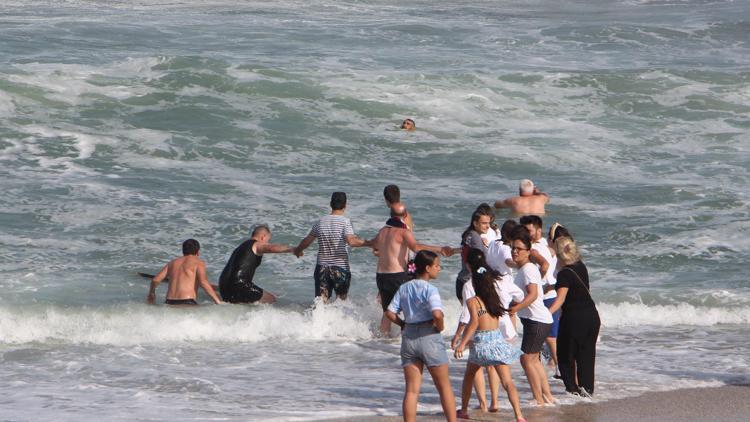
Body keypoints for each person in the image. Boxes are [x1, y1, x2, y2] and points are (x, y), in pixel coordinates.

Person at [454, 249, 526, 422]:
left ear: (476, 284)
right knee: (507, 382)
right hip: (496, 341)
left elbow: (474, 324)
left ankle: (463, 410)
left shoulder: (473, 301)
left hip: (480, 344)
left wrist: (462, 344)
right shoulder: (494, 299)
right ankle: (519, 416)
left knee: (469, 376)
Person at [384, 250, 456, 422]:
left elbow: (389, 312)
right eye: (437, 266)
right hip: (429, 336)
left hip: (409, 337)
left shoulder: (404, 287)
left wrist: (403, 324)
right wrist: (441, 326)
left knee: (411, 390)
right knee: (444, 387)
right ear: (428, 268)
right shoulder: (430, 289)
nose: (439, 269)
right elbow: (437, 314)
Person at [373, 205, 453, 335]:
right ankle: (409, 335)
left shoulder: (383, 231)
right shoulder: (403, 232)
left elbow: (375, 246)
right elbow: (416, 247)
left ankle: (383, 339)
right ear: (405, 216)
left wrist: (358, 242)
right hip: (396, 275)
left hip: (381, 275)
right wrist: (440, 249)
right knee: (408, 309)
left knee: (388, 311)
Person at [293, 192, 372, 302]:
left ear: (330, 204)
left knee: (321, 303)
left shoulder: (320, 222)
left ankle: (317, 319)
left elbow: (307, 240)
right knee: (341, 302)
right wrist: (371, 243)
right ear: (345, 205)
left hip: (322, 268)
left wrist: (298, 250)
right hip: (340, 268)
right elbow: (351, 241)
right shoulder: (345, 222)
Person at [548, 237, 600, 397]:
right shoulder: (580, 266)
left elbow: (560, 299)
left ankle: (572, 390)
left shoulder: (564, 273)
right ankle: (588, 391)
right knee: (586, 356)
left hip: (574, 319)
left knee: (565, 355)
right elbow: (575, 286)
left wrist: (545, 314)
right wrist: (550, 286)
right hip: (592, 317)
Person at [509, 231, 556, 406]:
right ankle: (547, 396)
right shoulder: (525, 268)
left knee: (526, 359)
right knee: (534, 359)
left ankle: (539, 399)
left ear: (528, 251)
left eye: (519, 249)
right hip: (537, 320)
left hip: (537, 320)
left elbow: (533, 294)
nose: (515, 252)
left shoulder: (528, 269)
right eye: (513, 248)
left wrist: (515, 308)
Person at [520, 215, 560, 377]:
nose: (527, 233)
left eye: (529, 230)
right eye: (524, 230)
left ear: (538, 230)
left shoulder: (537, 248)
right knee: (540, 334)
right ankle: (537, 367)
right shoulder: (543, 245)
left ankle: (559, 367)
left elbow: (545, 265)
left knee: (550, 337)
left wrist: (540, 282)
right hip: (546, 294)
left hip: (548, 295)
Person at [219, 224, 295, 304]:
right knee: (270, 299)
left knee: (247, 302)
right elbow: (271, 248)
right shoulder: (256, 244)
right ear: (263, 237)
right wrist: (292, 249)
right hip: (239, 284)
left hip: (224, 286)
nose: (267, 243)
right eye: (268, 240)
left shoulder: (241, 247)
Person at [147, 239, 223, 305]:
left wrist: (152, 293)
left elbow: (155, 280)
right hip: (187, 302)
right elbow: (203, 282)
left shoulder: (172, 263)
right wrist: (217, 300)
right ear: (198, 252)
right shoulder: (198, 263)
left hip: (169, 301)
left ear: (183, 251)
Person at [455, 208, 493, 301]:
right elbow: (478, 264)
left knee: (467, 314)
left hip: (462, 281)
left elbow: (465, 254)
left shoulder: (469, 234)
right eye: (484, 223)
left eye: (489, 223)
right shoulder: (476, 238)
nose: (488, 226)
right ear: (475, 223)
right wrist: (489, 276)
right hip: (471, 284)